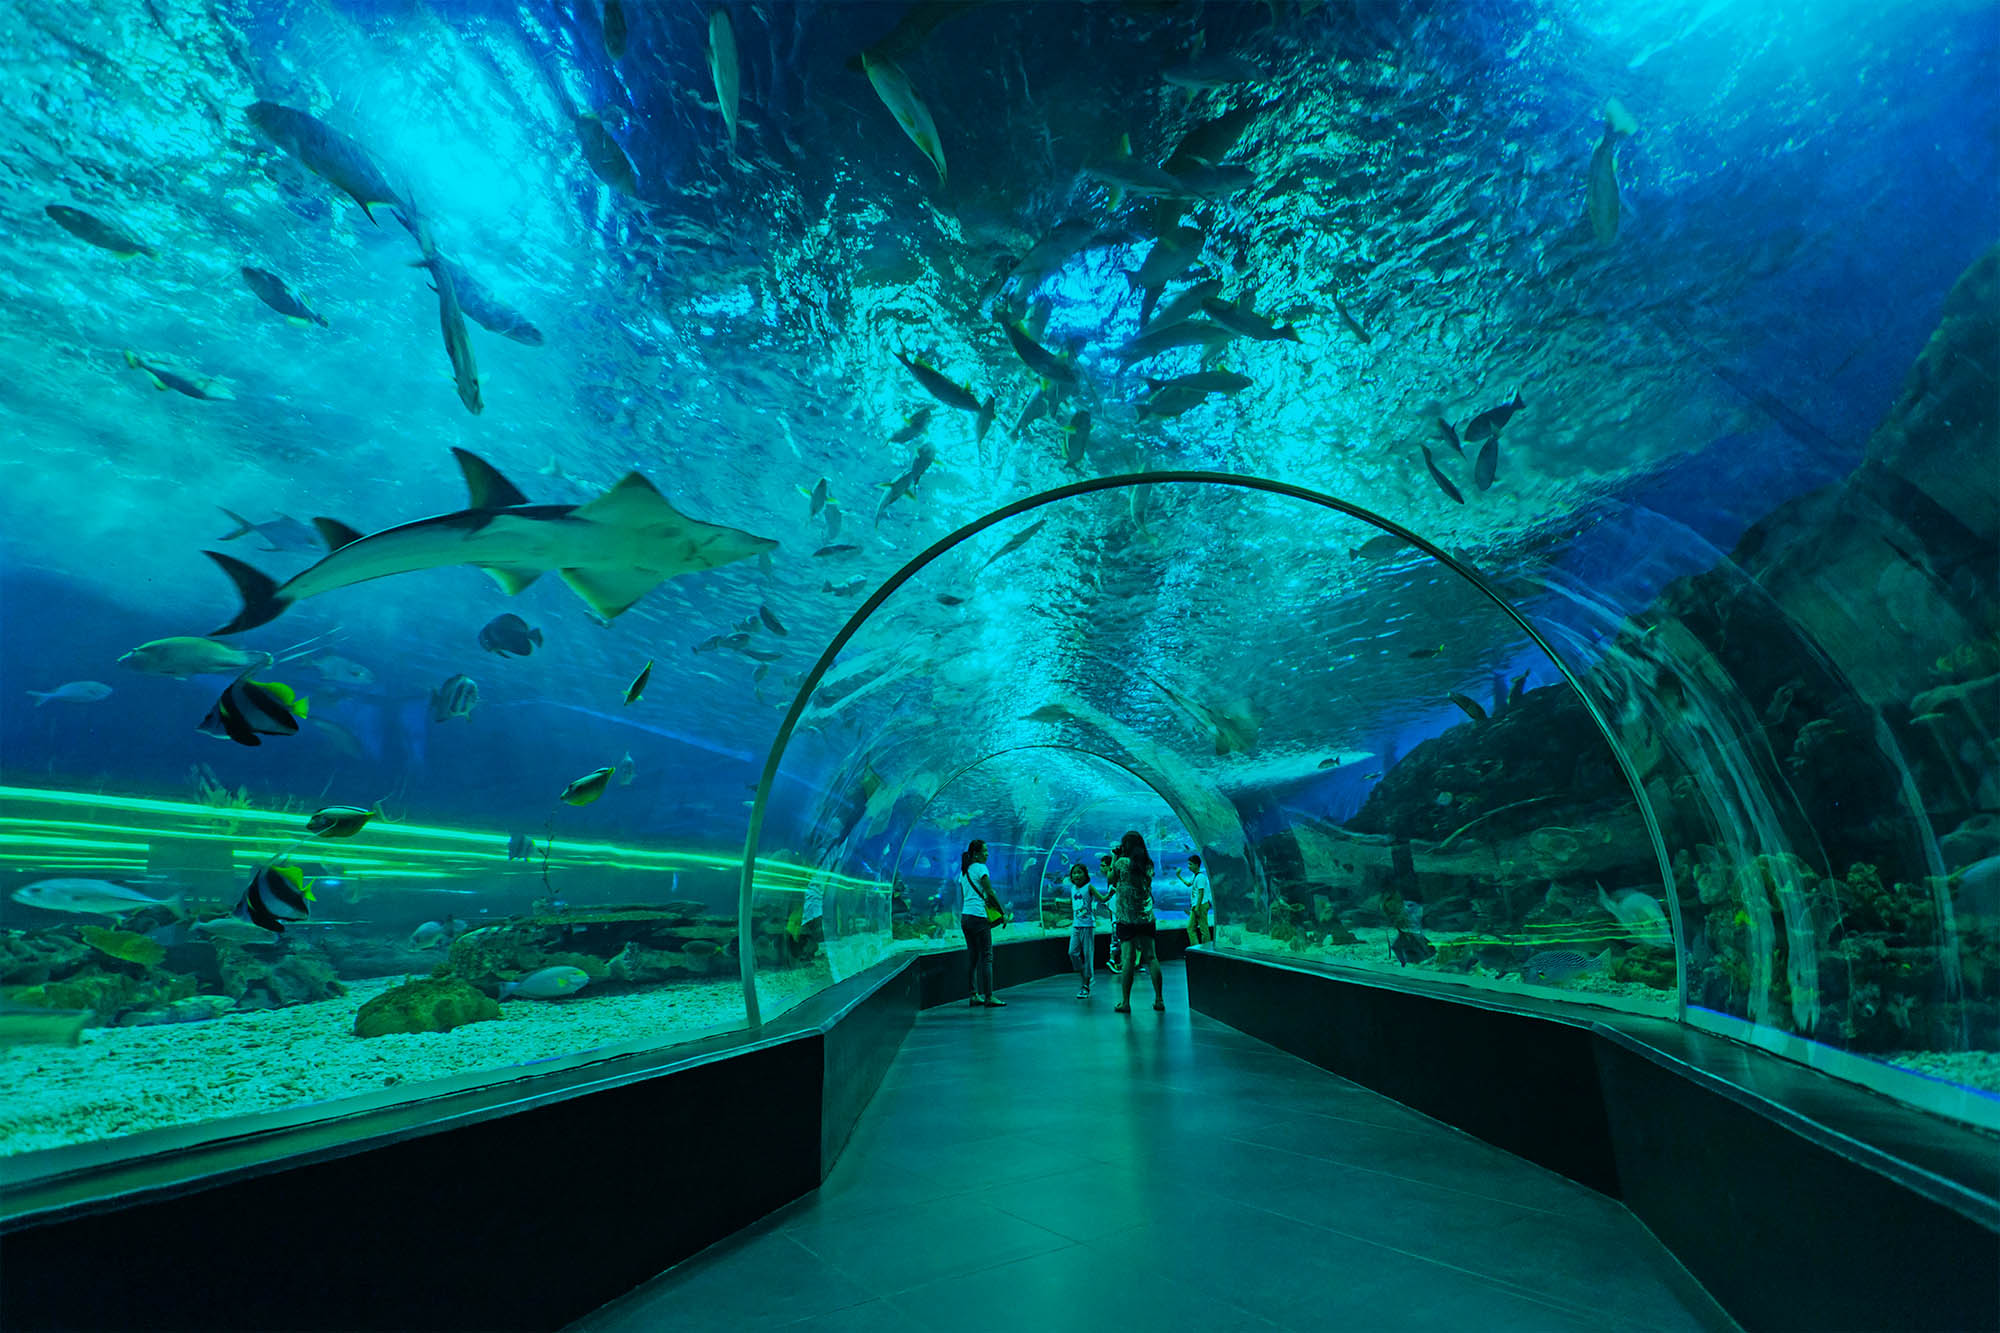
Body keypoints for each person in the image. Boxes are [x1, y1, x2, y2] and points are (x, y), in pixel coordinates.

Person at [1111, 831, 1164, 1013]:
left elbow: (1111, 879)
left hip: (1126, 918)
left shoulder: (1121, 863)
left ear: (1126, 846)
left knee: (1128, 959)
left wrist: (1114, 857)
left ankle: (1125, 1002)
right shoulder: (1148, 864)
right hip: (1146, 917)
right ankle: (1159, 999)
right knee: (1151, 957)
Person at [957, 839, 1007, 1008]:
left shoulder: (964, 871)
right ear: (976, 854)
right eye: (985, 851)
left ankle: (973, 995)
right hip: (979, 917)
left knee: (972, 957)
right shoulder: (981, 868)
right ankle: (989, 996)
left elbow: (965, 896)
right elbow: (990, 892)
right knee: (987, 957)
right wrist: (1002, 912)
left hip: (966, 918)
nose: (987, 854)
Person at [1067, 863, 1113, 998]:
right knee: (1072, 953)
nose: (1077, 875)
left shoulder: (1089, 887)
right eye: (1074, 873)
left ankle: (1085, 985)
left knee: (1088, 955)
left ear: (1085, 874)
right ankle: (1085, 976)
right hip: (1076, 925)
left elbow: (1102, 899)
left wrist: (1110, 893)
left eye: (1079, 872)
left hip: (1087, 925)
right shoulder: (1072, 888)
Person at [1180, 855, 1212, 945]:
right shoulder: (1194, 876)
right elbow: (1188, 884)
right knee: (1190, 928)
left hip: (1201, 905)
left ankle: (1206, 950)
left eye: (1190, 864)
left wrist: (1197, 907)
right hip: (1196, 906)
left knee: (1204, 929)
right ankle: (1196, 949)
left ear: (1196, 865)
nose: (1188, 866)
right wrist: (1179, 876)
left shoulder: (1200, 877)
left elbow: (1201, 893)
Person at [1099, 852, 1121, 975]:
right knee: (1116, 936)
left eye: (1103, 865)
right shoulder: (1110, 882)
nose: (1101, 868)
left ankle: (1113, 960)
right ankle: (1114, 960)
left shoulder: (1114, 880)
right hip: (1115, 913)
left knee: (1116, 936)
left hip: (1118, 912)